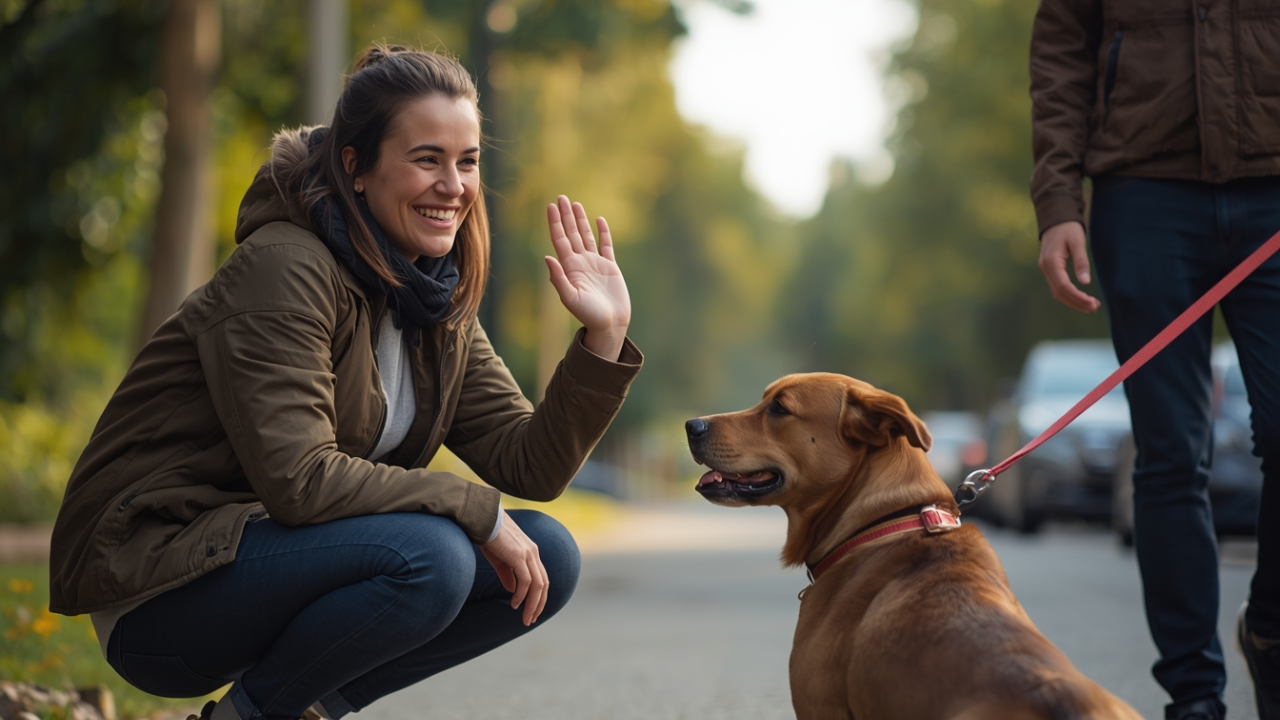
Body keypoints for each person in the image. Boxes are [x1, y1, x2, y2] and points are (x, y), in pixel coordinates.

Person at [47, 44, 642, 720]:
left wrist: (602, 338)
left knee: (549, 555)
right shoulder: (286, 268)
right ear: (355, 168)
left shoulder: (432, 298)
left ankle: (301, 709)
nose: (454, 186)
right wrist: (472, 509)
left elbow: (529, 463)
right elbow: (301, 478)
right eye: (427, 159)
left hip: (272, 558)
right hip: (157, 588)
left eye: (467, 161)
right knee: (437, 555)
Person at [1030, 2, 1280, 719]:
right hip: (1143, 192)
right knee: (1172, 452)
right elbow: (1059, 54)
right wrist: (1057, 202)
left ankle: (1269, 628)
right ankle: (1195, 699)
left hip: (1274, 180)